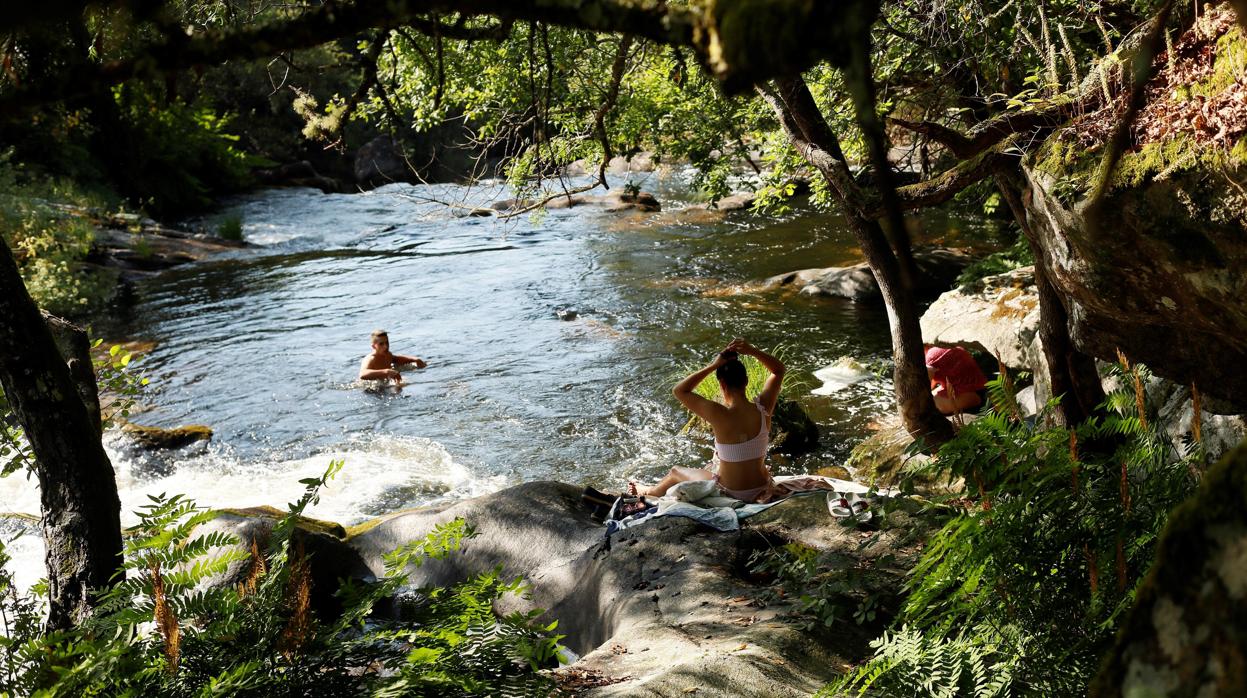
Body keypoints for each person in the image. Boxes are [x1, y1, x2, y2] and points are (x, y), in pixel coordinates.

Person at [635, 338, 827, 504]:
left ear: (722, 384)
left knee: (676, 471)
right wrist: (751, 350)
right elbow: (778, 370)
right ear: (746, 381)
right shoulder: (763, 409)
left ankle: (647, 492)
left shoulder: (718, 413)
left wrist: (713, 366)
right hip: (762, 487)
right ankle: (648, 490)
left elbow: (679, 390)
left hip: (731, 492)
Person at [925, 345, 988, 414]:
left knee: (924, 406)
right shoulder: (937, 348)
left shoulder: (930, 357)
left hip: (969, 394)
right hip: (979, 387)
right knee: (929, 398)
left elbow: (922, 386)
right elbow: (931, 384)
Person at [359, 330, 427, 385]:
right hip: (371, 389)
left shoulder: (387, 354)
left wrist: (414, 359)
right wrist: (387, 372)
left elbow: (396, 359)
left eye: (387, 342)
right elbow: (362, 374)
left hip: (385, 383)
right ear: (373, 346)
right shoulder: (371, 359)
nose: (386, 346)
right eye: (381, 344)